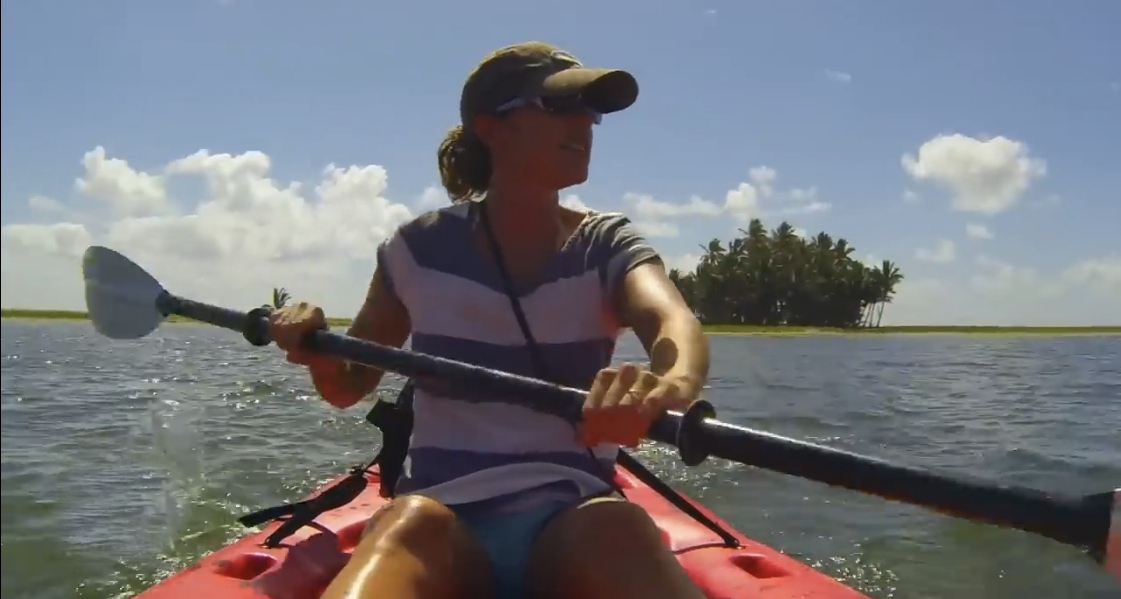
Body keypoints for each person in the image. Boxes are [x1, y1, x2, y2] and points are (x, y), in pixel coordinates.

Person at [268, 41, 711, 599]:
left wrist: (665, 387)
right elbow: (347, 386)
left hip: (574, 514)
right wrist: (314, 348)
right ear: (490, 127)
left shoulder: (607, 242)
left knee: (617, 525)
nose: (584, 123)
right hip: (441, 519)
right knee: (408, 523)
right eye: (560, 106)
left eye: (590, 110)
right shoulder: (416, 249)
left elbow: (672, 322)